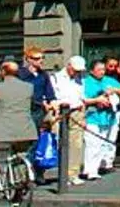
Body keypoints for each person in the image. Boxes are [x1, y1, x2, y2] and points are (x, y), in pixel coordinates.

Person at [48, 58, 86, 186]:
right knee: (59, 143)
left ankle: (73, 174)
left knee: (76, 144)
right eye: (75, 70)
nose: (77, 73)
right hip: (61, 111)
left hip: (77, 111)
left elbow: (81, 96)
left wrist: (83, 113)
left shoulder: (80, 79)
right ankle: (61, 173)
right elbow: (52, 96)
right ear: (69, 66)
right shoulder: (56, 78)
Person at [81, 60, 116, 182]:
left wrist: (109, 95)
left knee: (101, 145)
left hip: (105, 117)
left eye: (103, 69)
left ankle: (94, 169)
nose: (102, 72)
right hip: (92, 117)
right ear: (92, 71)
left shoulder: (106, 81)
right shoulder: (86, 82)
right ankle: (89, 170)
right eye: (99, 69)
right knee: (92, 145)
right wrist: (97, 100)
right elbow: (83, 99)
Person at [100, 60, 120, 170]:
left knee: (112, 136)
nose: (112, 68)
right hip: (102, 111)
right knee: (102, 136)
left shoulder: (115, 78)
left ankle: (108, 162)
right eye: (110, 66)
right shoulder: (101, 78)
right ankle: (100, 162)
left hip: (115, 110)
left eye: (115, 66)